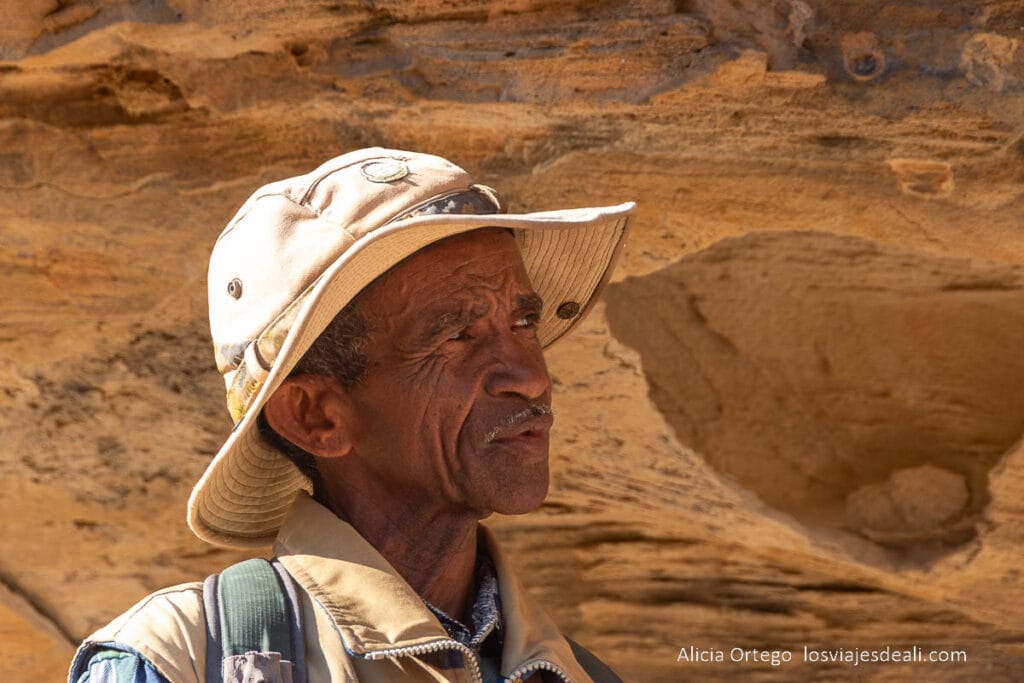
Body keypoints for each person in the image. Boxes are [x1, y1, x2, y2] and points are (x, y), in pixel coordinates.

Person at [68, 147, 635, 682]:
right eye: (458, 335)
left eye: (523, 324)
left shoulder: (577, 673)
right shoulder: (178, 660)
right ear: (317, 417)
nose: (532, 377)